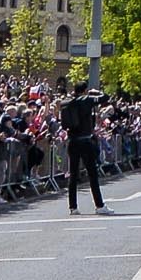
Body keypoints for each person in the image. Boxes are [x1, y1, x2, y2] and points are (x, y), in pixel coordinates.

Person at [62, 80, 106, 213]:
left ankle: (73, 207)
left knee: (73, 175)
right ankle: (99, 206)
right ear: (85, 90)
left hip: (72, 141)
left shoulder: (68, 103)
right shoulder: (86, 100)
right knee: (92, 174)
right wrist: (95, 92)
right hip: (85, 141)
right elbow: (105, 97)